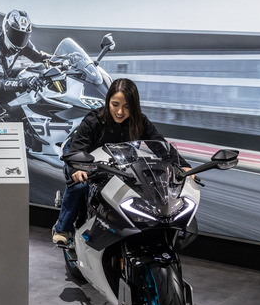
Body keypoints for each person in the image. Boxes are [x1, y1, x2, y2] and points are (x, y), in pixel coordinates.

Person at [52, 78, 192, 244]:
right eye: (115, 104)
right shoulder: (94, 120)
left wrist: (182, 166)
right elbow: (77, 148)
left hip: (116, 160)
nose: (120, 112)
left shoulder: (140, 121)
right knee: (79, 185)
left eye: (127, 107)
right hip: (81, 154)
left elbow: (160, 144)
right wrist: (78, 168)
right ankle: (63, 228)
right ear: (108, 101)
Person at [0, 9, 51, 122]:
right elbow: (1, 82)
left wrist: (59, 59)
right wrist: (26, 82)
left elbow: (40, 58)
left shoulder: (25, 45)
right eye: (16, 34)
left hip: (6, 73)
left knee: (33, 70)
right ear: (6, 29)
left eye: (23, 36)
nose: (19, 40)